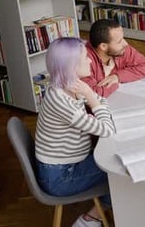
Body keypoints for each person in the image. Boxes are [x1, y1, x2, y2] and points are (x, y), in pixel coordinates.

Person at [35, 37, 115, 227]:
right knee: (118, 168)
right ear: (71, 66)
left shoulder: (69, 85)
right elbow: (108, 130)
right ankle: (91, 218)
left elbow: (104, 103)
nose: (90, 61)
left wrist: (91, 98)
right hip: (60, 177)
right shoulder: (61, 100)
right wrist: (90, 96)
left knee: (115, 158)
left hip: (67, 165)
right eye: (86, 57)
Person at [82, 19, 145, 97]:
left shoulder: (120, 50)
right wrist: (115, 84)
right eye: (119, 41)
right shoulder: (83, 60)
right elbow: (92, 95)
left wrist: (117, 77)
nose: (125, 43)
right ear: (103, 46)